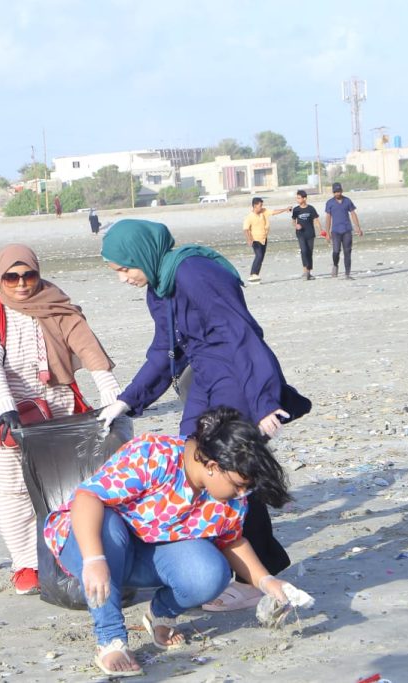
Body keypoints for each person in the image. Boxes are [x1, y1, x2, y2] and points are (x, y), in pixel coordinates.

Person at [97, 219, 311, 612]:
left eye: (125, 268)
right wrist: (127, 400)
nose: (124, 278)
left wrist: (263, 400)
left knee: (232, 474)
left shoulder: (194, 271)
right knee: (192, 464)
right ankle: (214, 568)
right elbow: (164, 351)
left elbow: (242, 333)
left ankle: (251, 579)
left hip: (236, 374)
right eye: (118, 272)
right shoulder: (159, 287)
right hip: (203, 378)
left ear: (142, 254)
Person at [44, 406, 303, 677]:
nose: (242, 493)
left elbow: (231, 541)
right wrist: (94, 559)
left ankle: (161, 613)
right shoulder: (155, 455)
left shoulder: (229, 500)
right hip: (87, 542)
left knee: (211, 572)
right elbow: (87, 497)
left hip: (143, 554)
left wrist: (266, 581)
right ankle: (110, 638)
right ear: (213, 466)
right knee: (110, 528)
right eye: (238, 485)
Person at [0, 244, 121, 596]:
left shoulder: (55, 303)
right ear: (0, 277)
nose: (21, 284)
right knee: (14, 493)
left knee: (64, 487)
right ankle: (26, 565)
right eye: (12, 277)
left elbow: (88, 348)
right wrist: (5, 406)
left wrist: (112, 395)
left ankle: (67, 554)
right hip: (3, 416)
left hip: (56, 411)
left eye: (29, 275)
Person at [242, 197, 291, 283]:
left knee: (261, 258)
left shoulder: (264, 211)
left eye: (262, 205)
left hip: (264, 239)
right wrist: (249, 239)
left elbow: (274, 212)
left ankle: (256, 275)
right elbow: (246, 229)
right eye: (260, 205)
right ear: (254, 206)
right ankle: (252, 274)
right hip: (255, 239)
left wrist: (285, 209)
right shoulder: (249, 217)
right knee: (259, 255)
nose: (261, 207)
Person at [324, 182, 364, 279]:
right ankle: (335, 265)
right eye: (335, 192)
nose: (337, 193)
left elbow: (353, 214)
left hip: (347, 230)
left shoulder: (347, 201)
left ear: (341, 191)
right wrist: (327, 233)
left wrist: (358, 227)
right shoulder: (330, 203)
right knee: (336, 251)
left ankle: (347, 274)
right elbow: (328, 218)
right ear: (333, 192)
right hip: (335, 231)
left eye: (339, 191)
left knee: (347, 251)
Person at [291, 190, 325, 281]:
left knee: (309, 252)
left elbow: (316, 220)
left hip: (310, 233)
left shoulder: (311, 209)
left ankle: (308, 272)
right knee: (304, 251)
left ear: (304, 198)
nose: (297, 199)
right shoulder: (296, 210)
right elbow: (293, 221)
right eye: (297, 198)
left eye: (299, 198)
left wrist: (321, 230)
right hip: (300, 234)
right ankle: (305, 271)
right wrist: (296, 225)